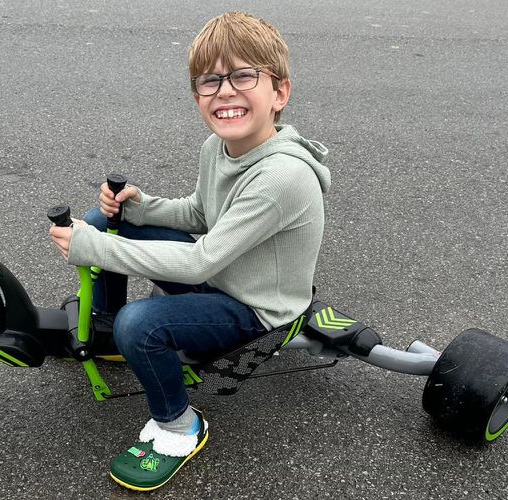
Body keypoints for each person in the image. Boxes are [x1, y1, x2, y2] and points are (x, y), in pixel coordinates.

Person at [50, 11, 330, 491]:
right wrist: (141, 207)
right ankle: (106, 329)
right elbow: (200, 213)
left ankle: (180, 427)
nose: (225, 92)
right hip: (224, 274)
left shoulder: (281, 178)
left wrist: (94, 249)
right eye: (209, 81)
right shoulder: (218, 148)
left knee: (140, 324)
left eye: (243, 76)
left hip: (258, 310)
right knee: (104, 221)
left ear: (279, 92)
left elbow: (199, 261)